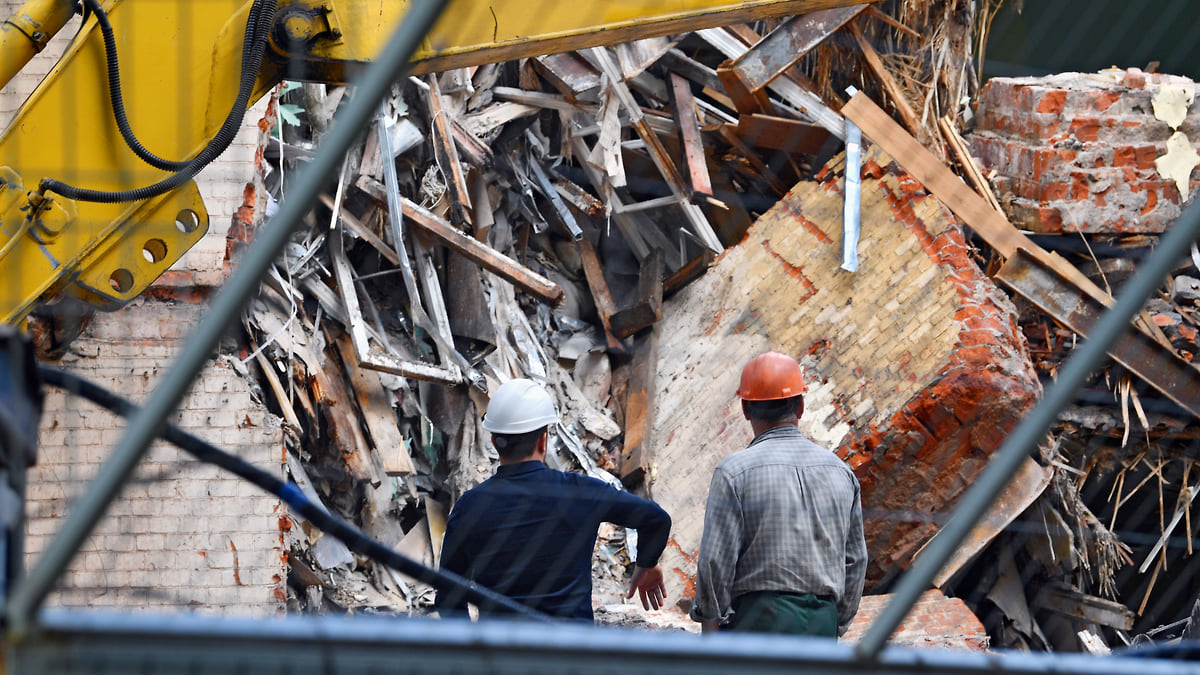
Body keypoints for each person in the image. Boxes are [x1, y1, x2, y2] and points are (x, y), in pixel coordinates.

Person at [437, 378, 672, 622]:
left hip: (501, 655)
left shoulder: (469, 507)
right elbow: (657, 520)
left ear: (495, 442)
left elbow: (448, 597)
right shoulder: (582, 492)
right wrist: (646, 564)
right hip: (570, 652)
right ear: (542, 440)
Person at [690, 351, 867, 637]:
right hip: (822, 622)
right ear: (801, 406)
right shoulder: (841, 473)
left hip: (757, 625)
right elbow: (856, 560)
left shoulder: (734, 472)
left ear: (746, 409)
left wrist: (710, 624)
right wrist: (835, 621)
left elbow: (715, 562)